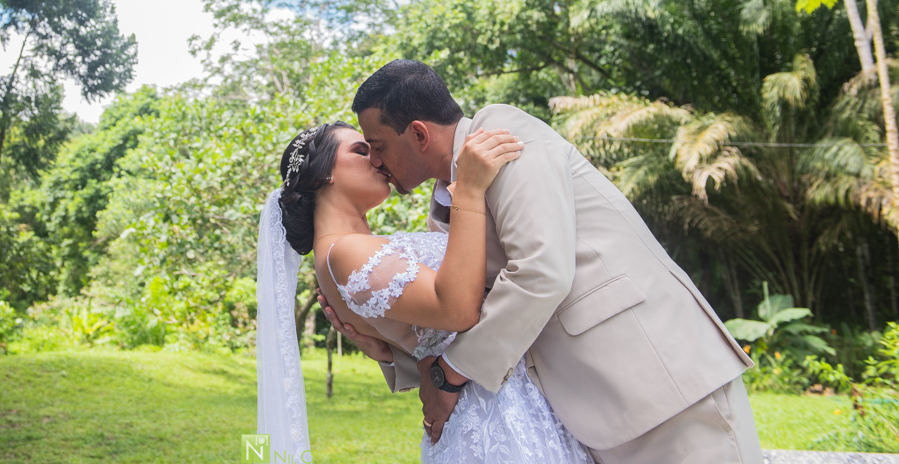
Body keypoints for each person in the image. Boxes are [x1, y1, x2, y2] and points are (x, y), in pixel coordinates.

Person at [318, 60, 762, 464]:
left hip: (660, 380)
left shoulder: (501, 133)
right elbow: (471, 314)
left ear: (418, 134)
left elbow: (541, 271)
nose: (376, 160)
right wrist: (390, 351)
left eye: (377, 146)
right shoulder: (448, 199)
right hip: (588, 406)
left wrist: (450, 374)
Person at [257, 120, 593, 464]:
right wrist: (469, 192)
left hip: (500, 395)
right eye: (361, 150)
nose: (377, 159)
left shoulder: (351, 250)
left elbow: (425, 337)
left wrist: (390, 355)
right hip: (494, 412)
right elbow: (458, 311)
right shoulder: (344, 252)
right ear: (321, 174)